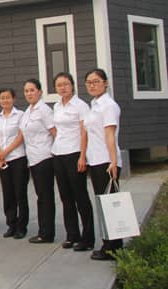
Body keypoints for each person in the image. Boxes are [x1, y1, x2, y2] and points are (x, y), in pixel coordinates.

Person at [83, 68, 123, 261]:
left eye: (96, 81)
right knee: (103, 203)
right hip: (95, 160)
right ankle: (112, 244)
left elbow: (110, 135)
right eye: (89, 82)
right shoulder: (94, 105)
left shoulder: (108, 106)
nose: (92, 85)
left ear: (105, 83)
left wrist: (113, 161)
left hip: (106, 161)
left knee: (109, 205)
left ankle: (111, 248)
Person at [52, 72, 94, 252]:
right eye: (59, 85)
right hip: (58, 153)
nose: (63, 88)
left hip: (75, 154)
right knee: (65, 197)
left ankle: (88, 238)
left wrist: (83, 156)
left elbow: (84, 132)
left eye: (66, 84)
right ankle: (72, 234)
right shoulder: (56, 106)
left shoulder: (81, 106)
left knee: (80, 196)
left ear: (72, 85)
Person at [20, 79, 56, 244]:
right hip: (33, 158)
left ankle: (47, 233)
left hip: (44, 157)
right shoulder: (28, 111)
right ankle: (43, 230)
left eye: (32, 90)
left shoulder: (44, 110)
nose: (29, 93)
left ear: (40, 92)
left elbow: (55, 133)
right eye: (26, 91)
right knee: (40, 196)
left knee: (45, 196)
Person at [0, 88, 28, 239]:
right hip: (3, 160)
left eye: (8, 97)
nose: (5, 100)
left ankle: (22, 226)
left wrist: (5, 151)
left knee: (20, 193)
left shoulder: (20, 115)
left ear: (14, 99)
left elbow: (20, 137)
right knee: (8, 194)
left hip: (17, 157)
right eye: (2, 98)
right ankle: (11, 224)